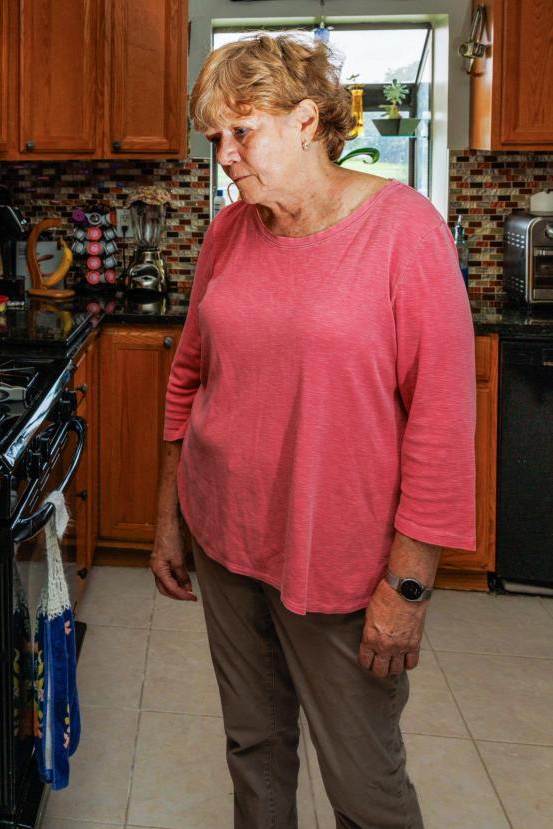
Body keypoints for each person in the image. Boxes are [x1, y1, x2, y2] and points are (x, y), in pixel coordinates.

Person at [151, 33, 476, 829]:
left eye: (241, 131)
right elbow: (188, 376)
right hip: (226, 538)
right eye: (214, 138)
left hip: (338, 560)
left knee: (366, 785)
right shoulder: (230, 232)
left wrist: (408, 587)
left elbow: (441, 424)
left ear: (306, 121)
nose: (224, 155)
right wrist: (170, 517)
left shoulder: (405, 232)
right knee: (254, 749)